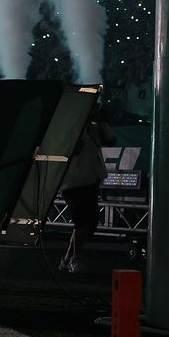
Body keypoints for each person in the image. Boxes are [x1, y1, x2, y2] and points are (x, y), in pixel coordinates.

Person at [59, 105, 116, 274]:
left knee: (87, 222)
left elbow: (111, 140)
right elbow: (73, 148)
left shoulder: (95, 128)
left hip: (90, 179)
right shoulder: (71, 127)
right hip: (73, 182)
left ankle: (68, 259)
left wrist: (103, 123)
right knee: (82, 221)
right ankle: (74, 258)